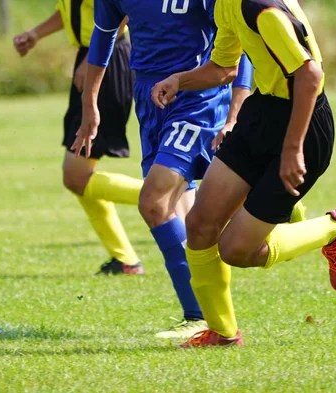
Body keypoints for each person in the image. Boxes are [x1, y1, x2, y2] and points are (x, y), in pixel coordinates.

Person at [149, 0, 336, 347]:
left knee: (236, 251)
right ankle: (223, 332)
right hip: (261, 113)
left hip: (302, 126)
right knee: (200, 224)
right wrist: (179, 80)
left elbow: (310, 76)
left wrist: (293, 149)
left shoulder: (260, 7)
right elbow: (223, 68)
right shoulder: (225, 6)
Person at [72, 0, 262, 338]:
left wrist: (236, 112)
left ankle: (199, 317)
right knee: (183, 212)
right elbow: (103, 39)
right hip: (149, 97)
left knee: (154, 202)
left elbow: (238, 42)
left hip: (197, 98)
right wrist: (90, 108)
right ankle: (213, 318)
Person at [13, 1, 145, 275]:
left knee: (76, 175)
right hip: (93, 56)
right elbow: (70, 10)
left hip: (105, 59)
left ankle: (171, 196)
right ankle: (125, 260)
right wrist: (36, 34)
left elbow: (122, 11)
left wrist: (93, 60)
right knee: (78, 175)